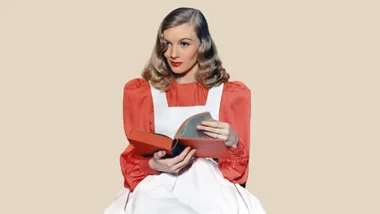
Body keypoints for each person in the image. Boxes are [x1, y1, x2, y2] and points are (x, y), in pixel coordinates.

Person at [105, 7, 266, 214]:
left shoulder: (228, 95)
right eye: (167, 44)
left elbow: (236, 174)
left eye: (184, 44)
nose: (173, 54)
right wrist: (153, 165)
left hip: (211, 189)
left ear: (203, 45)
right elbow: (132, 163)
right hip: (157, 187)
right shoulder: (144, 93)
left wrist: (233, 141)